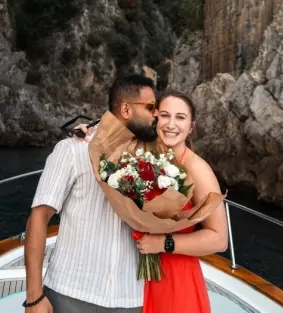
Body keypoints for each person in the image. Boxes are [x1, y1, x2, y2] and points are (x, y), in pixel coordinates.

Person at [24, 73, 158, 313]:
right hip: (72, 292)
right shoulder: (72, 149)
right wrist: (34, 298)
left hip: (132, 297)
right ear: (126, 109)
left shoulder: (153, 159)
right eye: (150, 107)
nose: (155, 114)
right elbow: (39, 216)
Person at [135, 90, 228, 313]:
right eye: (165, 115)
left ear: (191, 126)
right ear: (155, 117)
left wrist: (164, 243)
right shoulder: (144, 157)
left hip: (176, 280)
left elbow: (219, 239)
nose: (171, 124)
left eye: (180, 117)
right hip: (138, 278)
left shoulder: (198, 169)